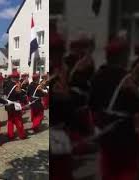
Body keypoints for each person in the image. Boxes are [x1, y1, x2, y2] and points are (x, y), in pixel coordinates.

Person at [89, 37, 139, 180]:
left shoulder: (97, 77)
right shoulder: (127, 80)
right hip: (125, 136)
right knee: (128, 171)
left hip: (105, 134)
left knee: (108, 172)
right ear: (122, 56)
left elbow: (92, 105)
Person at [49, 28, 74, 180]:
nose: (59, 56)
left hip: (61, 126)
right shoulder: (52, 73)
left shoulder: (63, 70)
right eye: (56, 52)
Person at [4, 69, 27, 140]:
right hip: (15, 105)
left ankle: (10, 134)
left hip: (8, 104)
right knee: (18, 120)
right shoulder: (16, 86)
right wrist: (25, 101)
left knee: (10, 120)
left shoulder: (7, 84)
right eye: (18, 78)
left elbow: (5, 93)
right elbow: (20, 96)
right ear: (16, 78)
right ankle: (22, 134)